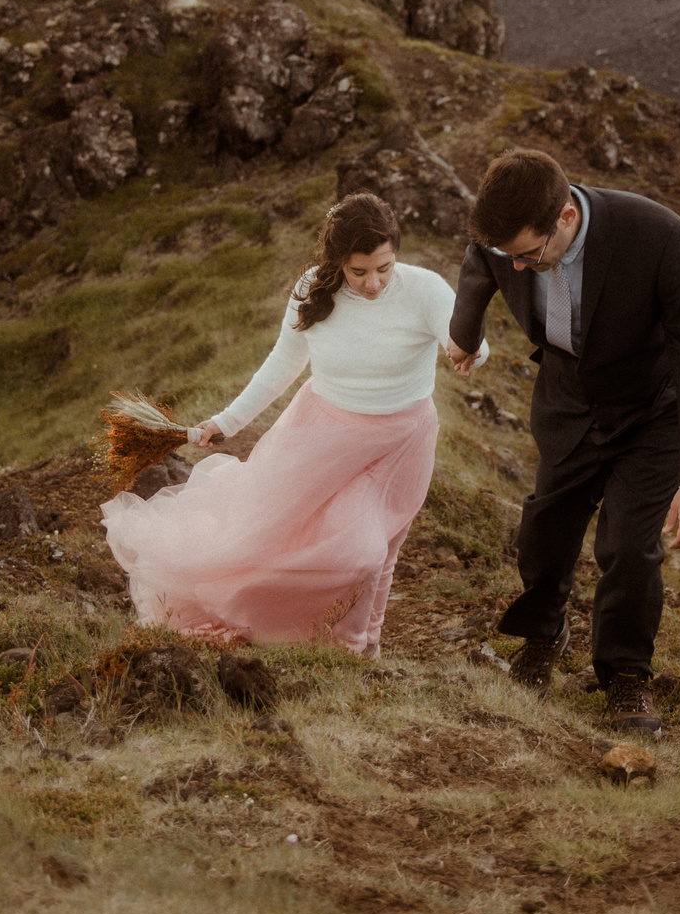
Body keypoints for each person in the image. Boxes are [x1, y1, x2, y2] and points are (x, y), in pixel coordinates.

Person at [100, 192, 465, 658]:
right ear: (337, 263)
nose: (373, 283)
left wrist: (468, 349)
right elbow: (281, 366)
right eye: (359, 271)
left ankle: (363, 648)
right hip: (325, 434)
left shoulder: (425, 288)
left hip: (405, 439)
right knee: (347, 548)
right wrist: (227, 420)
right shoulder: (311, 290)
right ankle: (294, 626)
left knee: (383, 548)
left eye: (384, 267)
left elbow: (460, 334)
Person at [449, 147, 680, 735]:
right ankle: (543, 634)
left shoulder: (658, 236)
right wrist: (466, 333)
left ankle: (626, 676)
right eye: (512, 256)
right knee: (544, 531)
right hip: (566, 400)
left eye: (529, 254)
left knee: (628, 548)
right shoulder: (506, 239)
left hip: (650, 414)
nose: (519, 268)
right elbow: (482, 259)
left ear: (566, 219)